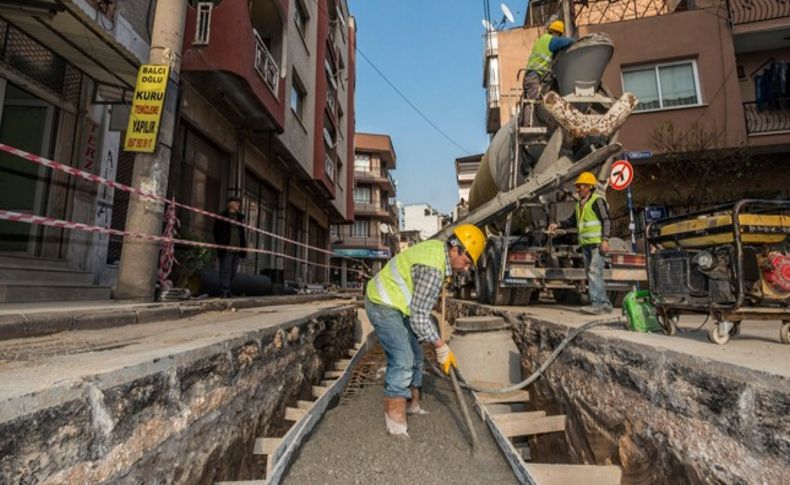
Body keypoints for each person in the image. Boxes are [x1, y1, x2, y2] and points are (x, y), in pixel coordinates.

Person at [364, 224, 486, 437]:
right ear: (455, 249)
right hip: (382, 302)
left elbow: (419, 313)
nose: (466, 269)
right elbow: (420, 318)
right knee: (402, 359)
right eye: (466, 262)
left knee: (416, 354)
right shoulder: (433, 269)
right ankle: (396, 424)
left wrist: (436, 341)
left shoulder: (437, 252)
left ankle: (413, 404)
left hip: (399, 305)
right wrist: (441, 346)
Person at [548, 172, 612, 315]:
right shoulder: (579, 205)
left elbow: (606, 220)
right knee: (595, 274)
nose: (577, 189)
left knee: (594, 273)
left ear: (589, 186)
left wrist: (605, 240)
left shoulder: (597, 201)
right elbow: (571, 222)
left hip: (597, 244)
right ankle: (605, 304)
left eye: (580, 186)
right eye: (577, 186)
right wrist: (557, 225)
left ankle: (596, 304)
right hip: (585, 245)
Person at [522, 20, 575, 103]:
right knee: (532, 103)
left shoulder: (542, 39)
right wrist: (575, 41)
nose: (559, 37)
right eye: (559, 35)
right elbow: (569, 41)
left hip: (532, 75)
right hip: (533, 75)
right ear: (557, 32)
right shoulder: (551, 40)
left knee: (531, 102)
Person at [212, 197, 247, 298]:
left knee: (233, 270)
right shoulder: (222, 216)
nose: (238, 205)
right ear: (230, 204)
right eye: (236, 203)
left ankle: (229, 290)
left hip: (237, 248)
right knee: (225, 269)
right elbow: (216, 231)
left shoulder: (239, 218)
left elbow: (242, 233)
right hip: (226, 248)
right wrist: (221, 243)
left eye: (238, 203)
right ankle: (224, 291)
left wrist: (243, 247)